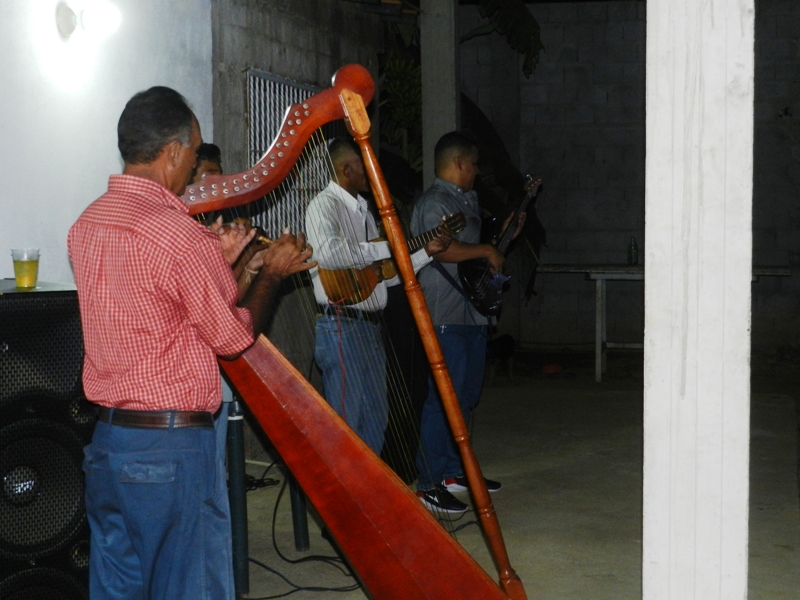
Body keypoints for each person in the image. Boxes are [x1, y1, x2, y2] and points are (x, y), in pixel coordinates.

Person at [68, 86, 314, 600]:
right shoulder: (178, 235)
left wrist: (220, 266)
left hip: (107, 448)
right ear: (174, 151)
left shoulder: (86, 225)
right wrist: (269, 273)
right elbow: (230, 338)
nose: (197, 165)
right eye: (197, 152)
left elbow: (160, 308)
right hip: (170, 452)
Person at [305, 138, 450, 455]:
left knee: (375, 420)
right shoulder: (323, 206)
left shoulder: (366, 213)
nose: (374, 175)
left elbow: (386, 273)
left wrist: (425, 252)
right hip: (342, 325)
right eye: (366, 168)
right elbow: (328, 254)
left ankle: (369, 499)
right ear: (346, 169)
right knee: (347, 424)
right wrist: (390, 246)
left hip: (371, 327)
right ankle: (345, 500)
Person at [411, 131, 525, 514]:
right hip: (444, 313)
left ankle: (453, 472)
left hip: (470, 313)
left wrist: (503, 239)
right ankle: (428, 482)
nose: (476, 172)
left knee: (466, 396)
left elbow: (479, 260)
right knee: (443, 398)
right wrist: (485, 248)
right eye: (473, 164)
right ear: (459, 163)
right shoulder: (435, 202)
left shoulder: (462, 201)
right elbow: (443, 253)